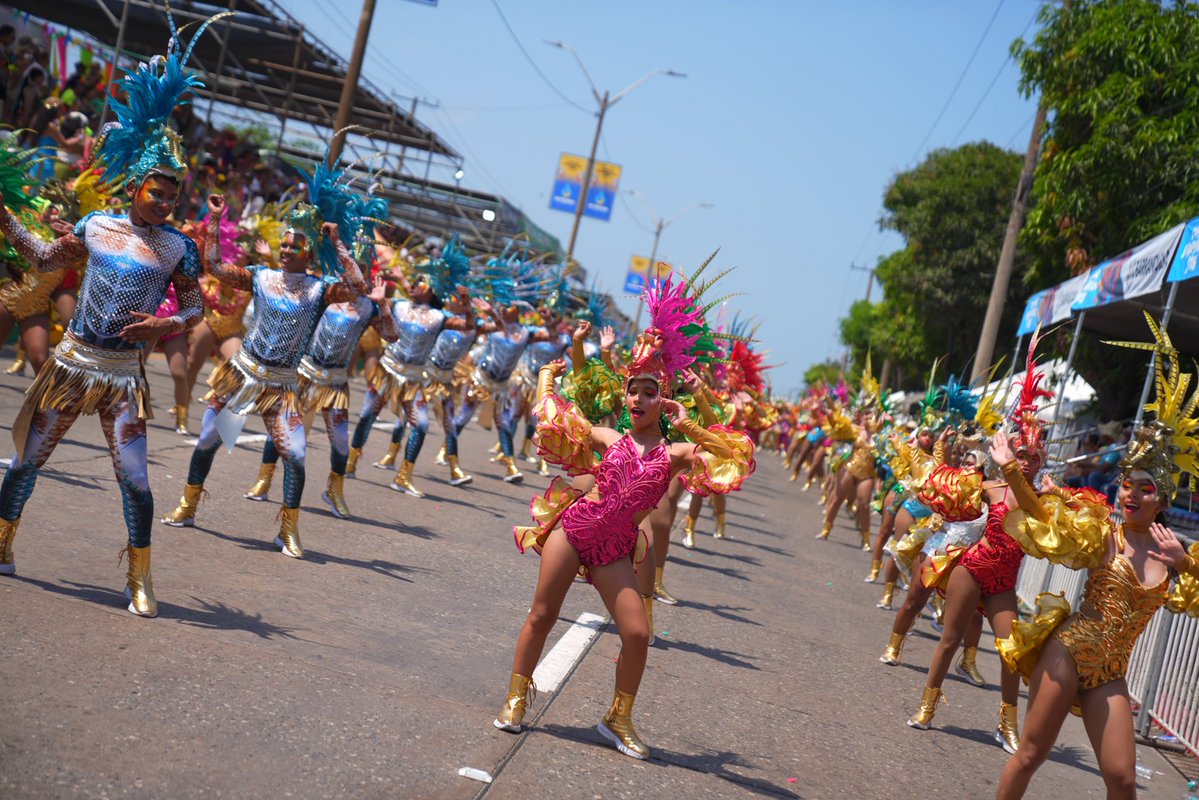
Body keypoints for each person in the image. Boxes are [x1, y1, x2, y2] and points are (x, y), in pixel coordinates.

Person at [493, 272, 755, 760]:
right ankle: (514, 698)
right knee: (542, 614)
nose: (637, 399)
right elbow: (554, 418)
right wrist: (549, 378)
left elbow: (732, 454)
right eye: (632, 391)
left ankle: (617, 717)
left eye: (649, 392)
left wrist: (694, 410)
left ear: (664, 400)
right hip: (574, 531)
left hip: (615, 548)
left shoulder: (676, 452)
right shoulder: (608, 439)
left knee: (637, 633)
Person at [0, 36, 214, 616]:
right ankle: (2, 543)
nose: (165, 204)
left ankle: (140, 579)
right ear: (136, 188)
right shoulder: (96, 227)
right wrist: (6, 221)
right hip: (72, 367)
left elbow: (198, 309)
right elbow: (46, 258)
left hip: (123, 378)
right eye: (156, 193)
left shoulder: (177, 248)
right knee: (26, 462)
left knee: (137, 482)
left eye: (172, 196)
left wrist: (164, 324)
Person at [994, 316, 1199, 799]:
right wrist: (1011, 470)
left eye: (1145, 489)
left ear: (1163, 501)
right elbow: (1044, 514)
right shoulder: (1102, 530)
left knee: (1123, 781)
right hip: (1068, 653)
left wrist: (1186, 563)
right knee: (1029, 756)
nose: (1131, 495)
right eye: (1127, 484)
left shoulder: (1175, 554)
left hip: (1111, 672)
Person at [161, 165, 367, 558]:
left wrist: (338, 244)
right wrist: (216, 221)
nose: (286, 250)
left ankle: (288, 530)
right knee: (208, 440)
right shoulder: (261, 276)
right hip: (242, 375)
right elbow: (216, 267)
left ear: (309, 253)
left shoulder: (320, 289)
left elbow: (357, 286)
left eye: (295, 246)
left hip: (281, 385)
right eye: (284, 244)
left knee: (297, 454)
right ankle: (188, 505)